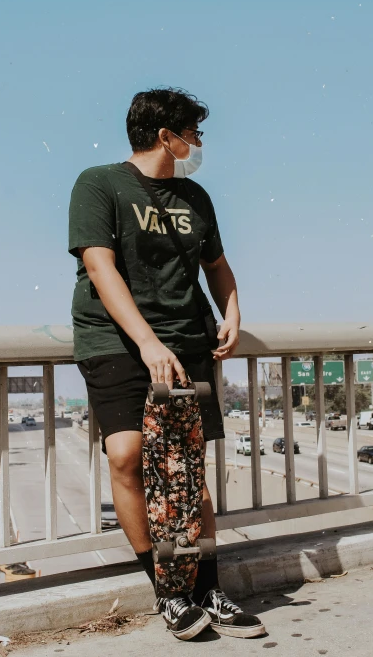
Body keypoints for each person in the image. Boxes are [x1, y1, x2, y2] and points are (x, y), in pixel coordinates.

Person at [69, 87, 265, 641]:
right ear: (167, 136)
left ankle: (209, 588)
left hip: (187, 341)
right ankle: (168, 591)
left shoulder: (195, 197)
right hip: (116, 341)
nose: (198, 144)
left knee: (188, 467)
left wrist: (231, 310)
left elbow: (218, 266)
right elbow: (101, 269)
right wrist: (148, 342)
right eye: (193, 134)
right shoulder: (99, 183)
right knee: (128, 456)